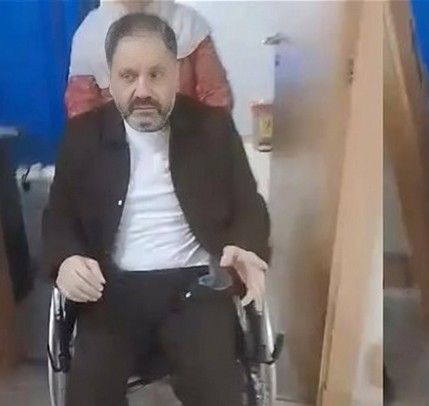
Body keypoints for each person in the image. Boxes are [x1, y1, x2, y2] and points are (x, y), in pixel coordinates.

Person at [43, 13, 268, 406]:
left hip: (197, 288)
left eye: (156, 75)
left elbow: (249, 204)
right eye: (128, 76)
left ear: (176, 74)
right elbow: (59, 218)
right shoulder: (83, 137)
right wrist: (66, 260)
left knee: (219, 393)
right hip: (110, 290)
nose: (142, 90)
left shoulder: (212, 129)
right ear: (110, 79)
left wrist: (245, 247)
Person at [66, 0, 233, 119]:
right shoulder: (90, 33)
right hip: (117, 150)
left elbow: (216, 96)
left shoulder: (188, 24)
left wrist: (205, 147)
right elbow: (81, 114)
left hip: (186, 143)